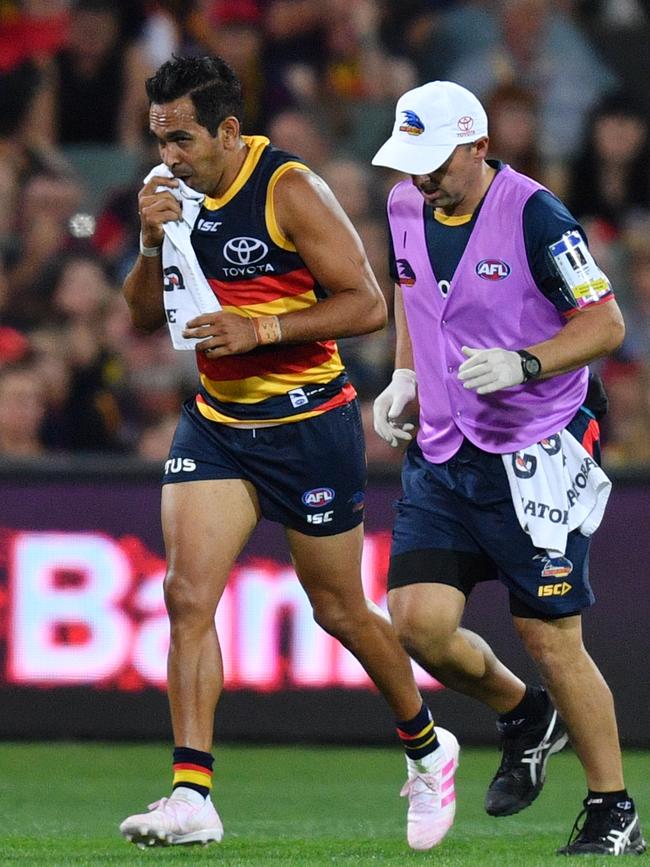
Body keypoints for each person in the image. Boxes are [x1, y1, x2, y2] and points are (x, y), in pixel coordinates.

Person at [118, 55, 459, 852]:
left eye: (184, 139)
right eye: (159, 137)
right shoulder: (169, 195)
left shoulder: (288, 189)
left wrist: (260, 328)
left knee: (338, 607)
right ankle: (192, 791)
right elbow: (141, 318)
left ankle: (426, 744)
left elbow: (369, 304)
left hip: (308, 423)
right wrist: (146, 243)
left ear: (229, 131)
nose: (169, 155)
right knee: (185, 595)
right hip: (217, 423)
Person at [371, 80, 646, 856]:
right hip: (445, 445)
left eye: (436, 161)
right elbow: (411, 292)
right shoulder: (403, 205)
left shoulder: (535, 214)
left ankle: (612, 807)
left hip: (537, 450)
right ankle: (525, 712)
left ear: (478, 147)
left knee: (551, 633)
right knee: (417, 621)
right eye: (412, 161)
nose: (422, 177)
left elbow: (606, 322)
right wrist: (407, 374)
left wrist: (528, 361)